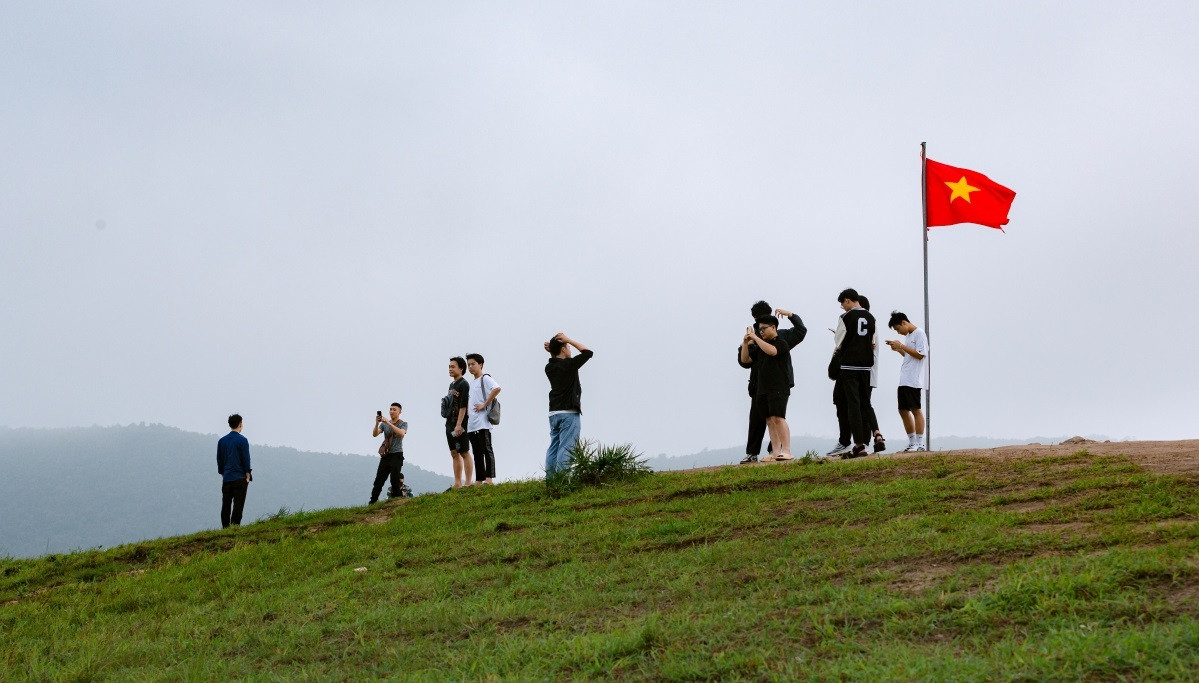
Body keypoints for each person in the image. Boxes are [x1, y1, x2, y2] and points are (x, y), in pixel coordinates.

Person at [739, 301, 807, 464]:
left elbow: (798, 333)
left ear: (772, 324)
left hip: (778, 384)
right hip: (760, 384)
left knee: (777, 417)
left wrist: (790, 315)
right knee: (767, 418)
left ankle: (783, 450)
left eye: (763, 326)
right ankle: (773, 451)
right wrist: (746, 343)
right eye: (759, 325)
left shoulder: (780, 338)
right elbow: (745, 361)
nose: (761, 329)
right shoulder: (756, 338)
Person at [827, 288, 875, 459]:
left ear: (848, 300)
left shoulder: (846, 317)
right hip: (866, 366)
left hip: (849, 366)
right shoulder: (871, 318)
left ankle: (859, 443)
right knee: (864, 404)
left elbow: (838, 341)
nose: (842, 307)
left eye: (843, 304)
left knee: (854, 405)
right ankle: (873, 436)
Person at [544, 332, 593, 478]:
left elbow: (556, 360)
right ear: (564, 349)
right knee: (567, 447)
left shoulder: (549, 367)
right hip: (569, 413)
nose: (570, 350)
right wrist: (569, 340)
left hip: (554, 413)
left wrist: (554, 350)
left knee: (554, 447)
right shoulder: (569, 365)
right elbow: (588, 352)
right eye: (568, 348)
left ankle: (551, 480)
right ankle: (563, 479)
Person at [886, 311, 930, 452]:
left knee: (915, 409)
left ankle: (920, 443)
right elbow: (909, 356)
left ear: (904, 323)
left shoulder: (919, 333)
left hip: (914, 379)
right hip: (905, 378)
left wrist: (902, 346)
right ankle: (912, 442)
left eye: (898, 329)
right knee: (903, 410)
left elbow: (921, 355)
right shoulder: (910, 336)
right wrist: (898, 349)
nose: (899, 333)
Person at [465, 353, 501, 484]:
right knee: (476, 452)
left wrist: (485, 404)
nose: (470, 367)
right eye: (468, 365)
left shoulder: (485, 378)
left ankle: (489, 479)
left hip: (483, 422)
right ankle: (479, 479)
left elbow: (497, 388)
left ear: (480, 364)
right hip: (472, 423)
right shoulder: (472, 382)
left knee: (487, 450)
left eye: (473, 364)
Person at [858, 295, 885, 453]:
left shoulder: (867, 322)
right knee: (865, 404)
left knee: (864, 404)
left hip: (865, 370)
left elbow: (871, 344)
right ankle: (874, 436)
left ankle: (873, 435)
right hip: (871, 370)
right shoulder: (870, 321)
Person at [216, 414, 252, 528]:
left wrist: (223, 473)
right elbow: (246, 459)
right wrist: (247, 475)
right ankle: (235, 527)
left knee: (226, 505)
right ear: (240, 424)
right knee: (238, 505)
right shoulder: (243, 440)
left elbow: (219, 459)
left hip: (227, 477)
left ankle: (225, 528)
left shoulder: (222, 441)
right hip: (240, 478)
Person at [370, 403, 407, 503]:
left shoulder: (403, 423)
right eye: (390, 409)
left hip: (397, 454)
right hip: (386, 455)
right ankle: (372, 502)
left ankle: (396, 501)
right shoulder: (383, 424)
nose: (391, 411)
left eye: (394, 409)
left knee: (394, 479)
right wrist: (377, 423)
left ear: (400, 412)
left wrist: (389, 423)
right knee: (379, 480)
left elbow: (401, 433)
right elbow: (375, 434)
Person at [445, 356, 473, 488]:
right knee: (454, 453)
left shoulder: (463, 384)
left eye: (453, 367)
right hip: (449, 422)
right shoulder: (452, 385)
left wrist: (459, 424)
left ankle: (468, 482)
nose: (450, 369)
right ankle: (457, 482)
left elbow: (463, 406)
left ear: (461, 368)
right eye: (449, 367)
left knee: (464, 451)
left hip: (460, 423)